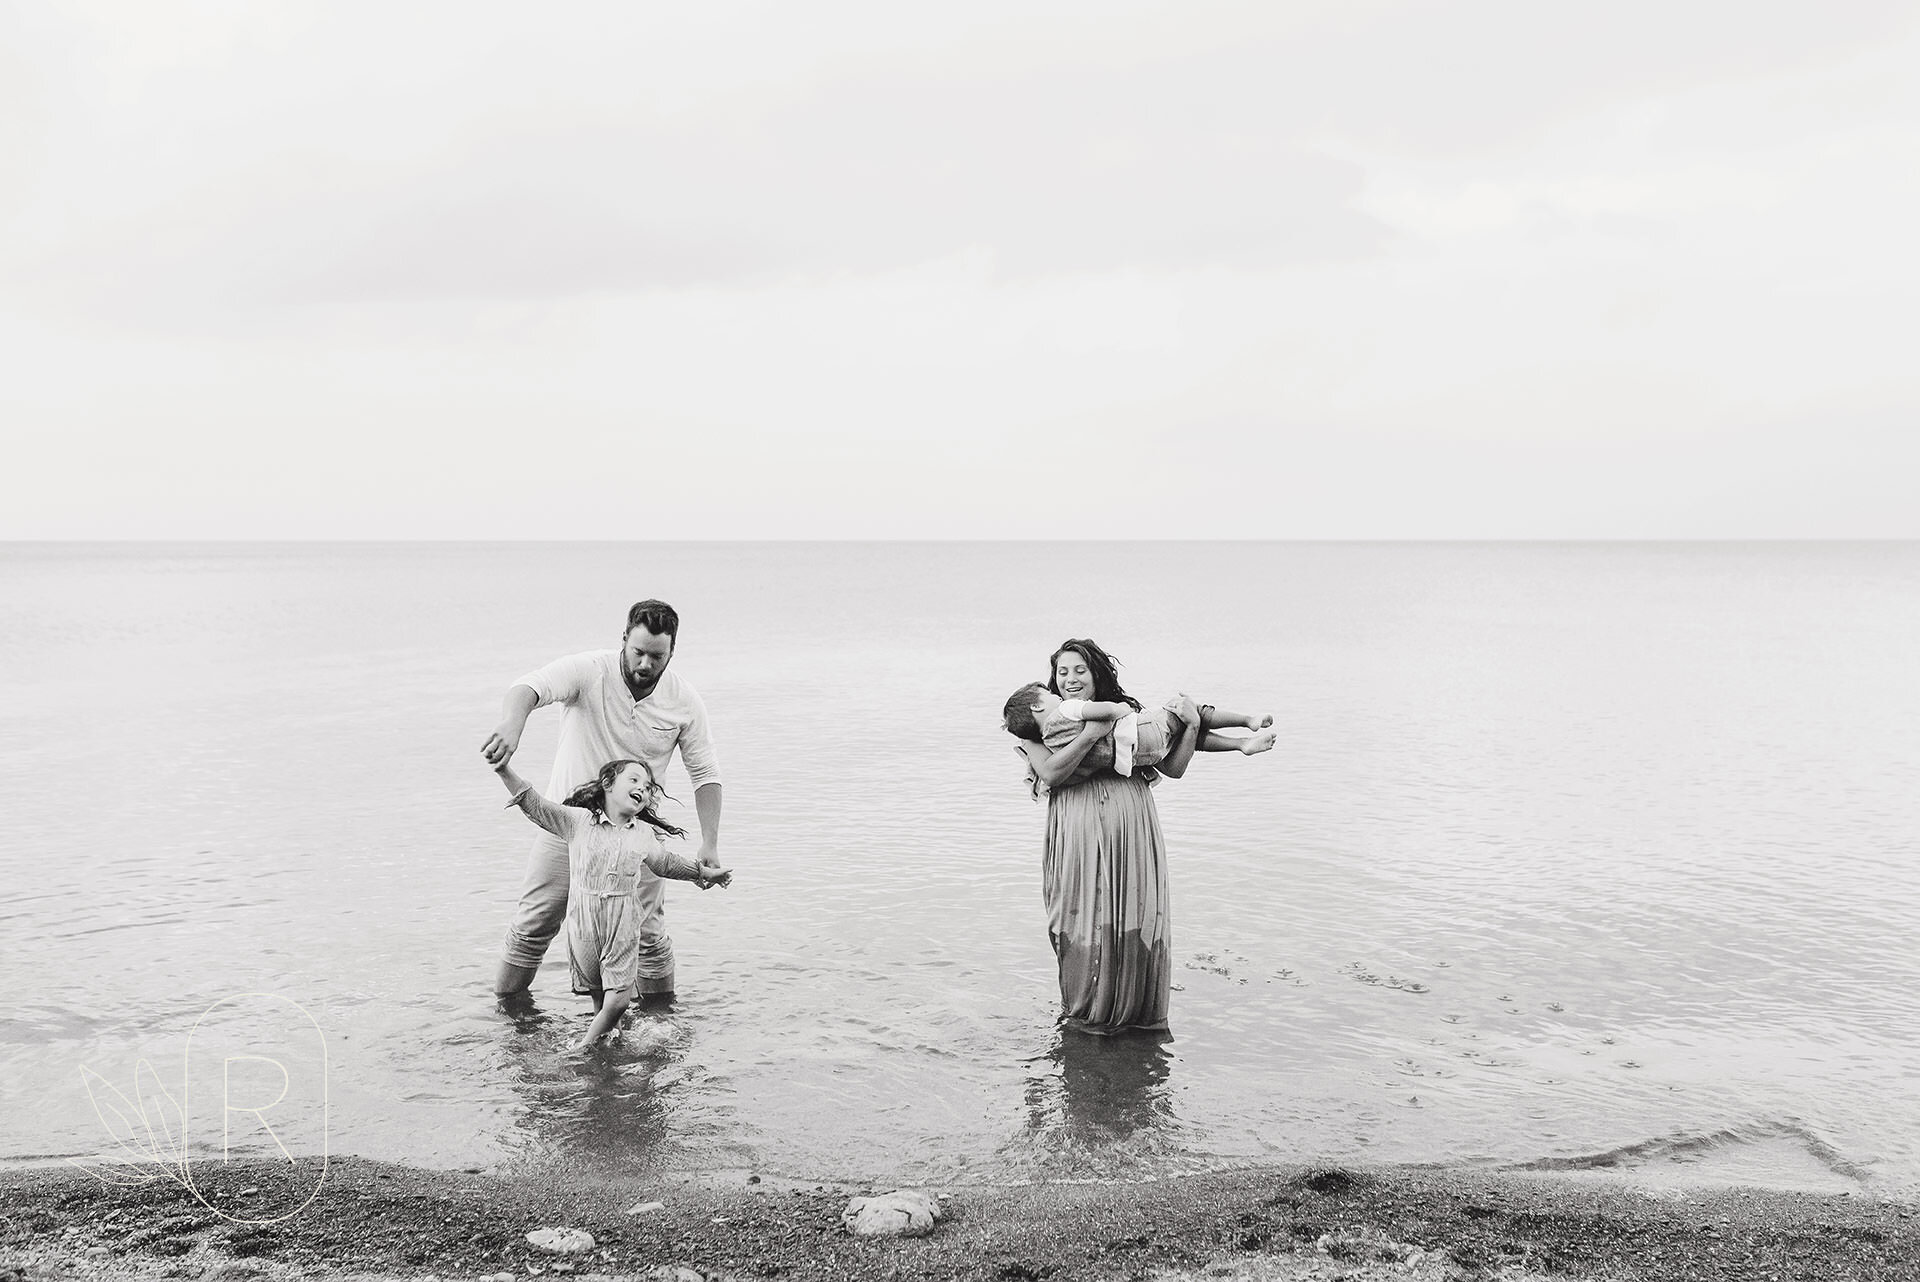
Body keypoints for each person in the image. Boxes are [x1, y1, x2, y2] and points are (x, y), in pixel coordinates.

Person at [483, 599, 724, 1000]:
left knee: (647, 934)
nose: (646, 664)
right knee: (534, 924)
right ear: (624, 640)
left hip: (636, 834)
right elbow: (530, 686)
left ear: (672, 652)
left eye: (657, 656)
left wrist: (710, 842)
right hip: (569, 826)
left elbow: (706, 774)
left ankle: (660, 1022)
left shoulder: (684, 701)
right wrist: (513, 723)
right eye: (638, 652)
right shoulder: (589, 671)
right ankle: (508, 1017)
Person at [1007, 639, 1198, 1035]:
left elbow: (1174, 767)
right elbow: (1054, 774)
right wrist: (1091, 732)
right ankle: (1084, 1012)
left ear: (1097, 673)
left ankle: (1139, 1016)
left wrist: (1193, 725)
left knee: (1135, 910)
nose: (1071, 679)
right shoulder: (1039, 728)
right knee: (1076, 915)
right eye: (1063, 672)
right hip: (1076, 828)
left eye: (1080, 670)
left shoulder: (1129, 720)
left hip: (1130, 823)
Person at [488, 755, 731, 1047]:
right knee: (601, 999)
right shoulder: (576, 822)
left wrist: (704, 874)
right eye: (634, 779)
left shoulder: (643, 833)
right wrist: (504, 770)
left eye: (649, 786)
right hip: (584, 927)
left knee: (618, 1001)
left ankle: (583, 1048)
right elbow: (536, 806)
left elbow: (666, 864)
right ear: (607, 784)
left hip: (622, 927)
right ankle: (608, 1047)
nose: (644, 787)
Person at [1003, 682, 1276, 777]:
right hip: (1144, 731)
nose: (1056, 695)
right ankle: (1247, 721)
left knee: (1186, 732)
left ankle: (1242, 744)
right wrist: (1122, 709)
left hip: (1143, 757)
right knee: (1184, 707)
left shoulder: (1052, 744)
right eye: (1047, 694)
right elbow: (1108, 711)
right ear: (1037, 708)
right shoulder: (1067, 709)